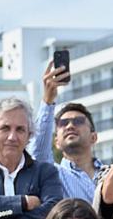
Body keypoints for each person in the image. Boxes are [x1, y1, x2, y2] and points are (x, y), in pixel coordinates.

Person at [30, 62, 103, 202]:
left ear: (93, 137)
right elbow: (37, 152)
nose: (70, 126)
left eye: (78, 121)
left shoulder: (111, 174)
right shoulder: (53, 174)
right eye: (63, 123)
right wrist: (48, 100)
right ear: (56, 142)